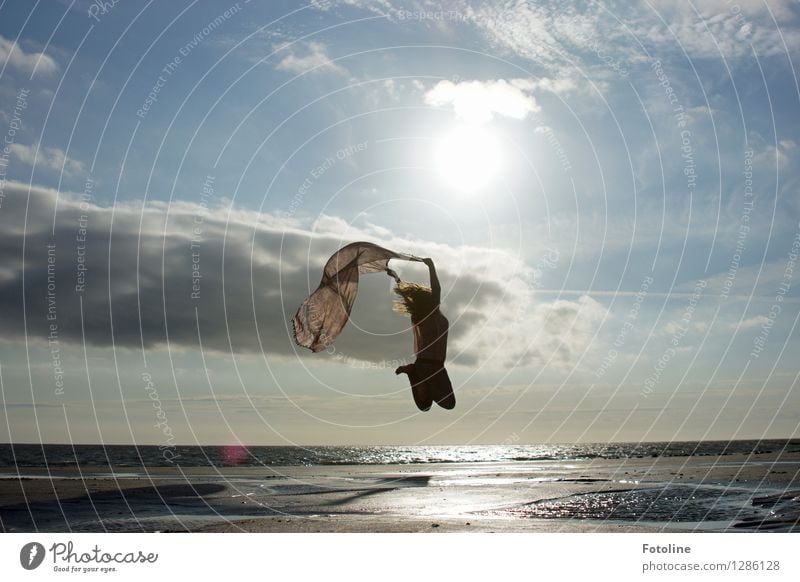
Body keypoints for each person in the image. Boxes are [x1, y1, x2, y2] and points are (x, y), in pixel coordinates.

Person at [394, 258, 455, 411]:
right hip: (429, 365)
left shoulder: (431, 314)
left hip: (435, 366)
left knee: (445, 404)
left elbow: (410, 297)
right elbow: (437, 289)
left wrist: (397, 279)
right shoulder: (428, 315)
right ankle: (415, 374)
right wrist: (431, 266)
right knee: (440, 404)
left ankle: (414, 373)